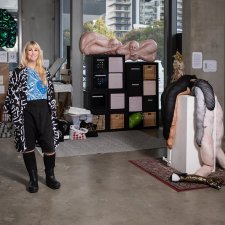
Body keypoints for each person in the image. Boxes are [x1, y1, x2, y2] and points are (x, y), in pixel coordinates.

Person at [4, 41, 61, 193]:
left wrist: (52, 113)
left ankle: (50, 177)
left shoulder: (45, 71)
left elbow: (51, 96)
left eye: (36, 50)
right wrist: (15, 115)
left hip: (43, 110)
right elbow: (11, 97)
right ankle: (33, 180)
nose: (33, 53)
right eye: (30, 50)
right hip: (25, 112)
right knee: (27, 146)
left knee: (49, 146)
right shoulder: (18, 72)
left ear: (39, 53)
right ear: (25, 53)